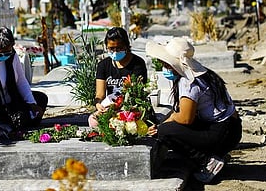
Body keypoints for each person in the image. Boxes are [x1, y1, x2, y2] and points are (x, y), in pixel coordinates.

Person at [145, 37, 242, 184]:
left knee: (165, 132)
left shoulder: (188, 82)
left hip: (222, 132)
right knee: (167, 126)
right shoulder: (201, 72)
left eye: (166, 64)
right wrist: (165, 121)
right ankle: (216, 153)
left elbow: (185, 118)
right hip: (231, 127)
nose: (164, 66)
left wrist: (162, 126)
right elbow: (181, 110)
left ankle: (208, 161)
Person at [88, 27, 148, 127]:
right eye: (111, 49)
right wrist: (98, 104)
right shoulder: (103, 65)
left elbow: (137, 94)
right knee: (93, 120)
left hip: (130, 107)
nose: (115, 52)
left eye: (119, 48)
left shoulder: (138, 64)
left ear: (126, 46)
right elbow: (100, 94)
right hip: (109, 107)